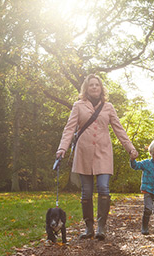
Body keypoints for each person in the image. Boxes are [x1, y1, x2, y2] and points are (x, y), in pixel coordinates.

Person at [56, 74, 138, 241]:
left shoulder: (108, 107)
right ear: (86, 88)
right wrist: (62, 148)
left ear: (101, 89)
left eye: (97, 85)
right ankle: (89, 227)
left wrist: (130, 148)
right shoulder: (78, 106)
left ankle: (101, 226)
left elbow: (119, 129)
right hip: (84, 153)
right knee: (86, 192)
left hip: (103, 152)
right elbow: (69, 128)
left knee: (103, 188)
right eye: (91, 85)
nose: (94, 87)